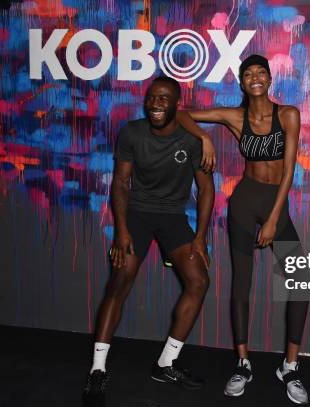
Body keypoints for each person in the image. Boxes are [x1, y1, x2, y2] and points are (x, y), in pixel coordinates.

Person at [176, 54, 310, 404]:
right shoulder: (235, 117)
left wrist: (273, 219)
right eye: (248, 73)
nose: (255, 77)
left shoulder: (288, 114)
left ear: (269, 78)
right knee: (241, 282)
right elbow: (181, 114)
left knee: (303, 280)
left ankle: (290, 367)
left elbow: (289, 170)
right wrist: (204, 139)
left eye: (260, 72)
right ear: (242, 81)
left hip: (274, 203)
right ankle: (243, 363)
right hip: (244, 201)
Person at [83, 76, 215, 402]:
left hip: (172, 217)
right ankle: (97, 370)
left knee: (198, 281)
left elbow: (207, 190)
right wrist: (122, 231)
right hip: (138, 215)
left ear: (175, 105)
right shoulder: (131, 133)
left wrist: (199, 238)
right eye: (152, 97)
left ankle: (166, 364)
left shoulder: (192, 141)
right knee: (120, 278)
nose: (156, 104)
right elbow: (120, 184)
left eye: (164, 99)